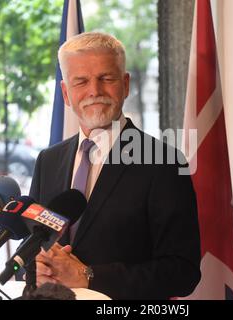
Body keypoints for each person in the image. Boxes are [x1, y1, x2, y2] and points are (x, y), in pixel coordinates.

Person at [29, 32, 201, 300]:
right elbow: (34, 246)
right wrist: (34, 270)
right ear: (65, 93)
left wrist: (89, 276)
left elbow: (182, 272)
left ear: (125, 84)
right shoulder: (48, 161)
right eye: (81, 81)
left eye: (106, 79)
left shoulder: (164, 162)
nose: (94, 91)